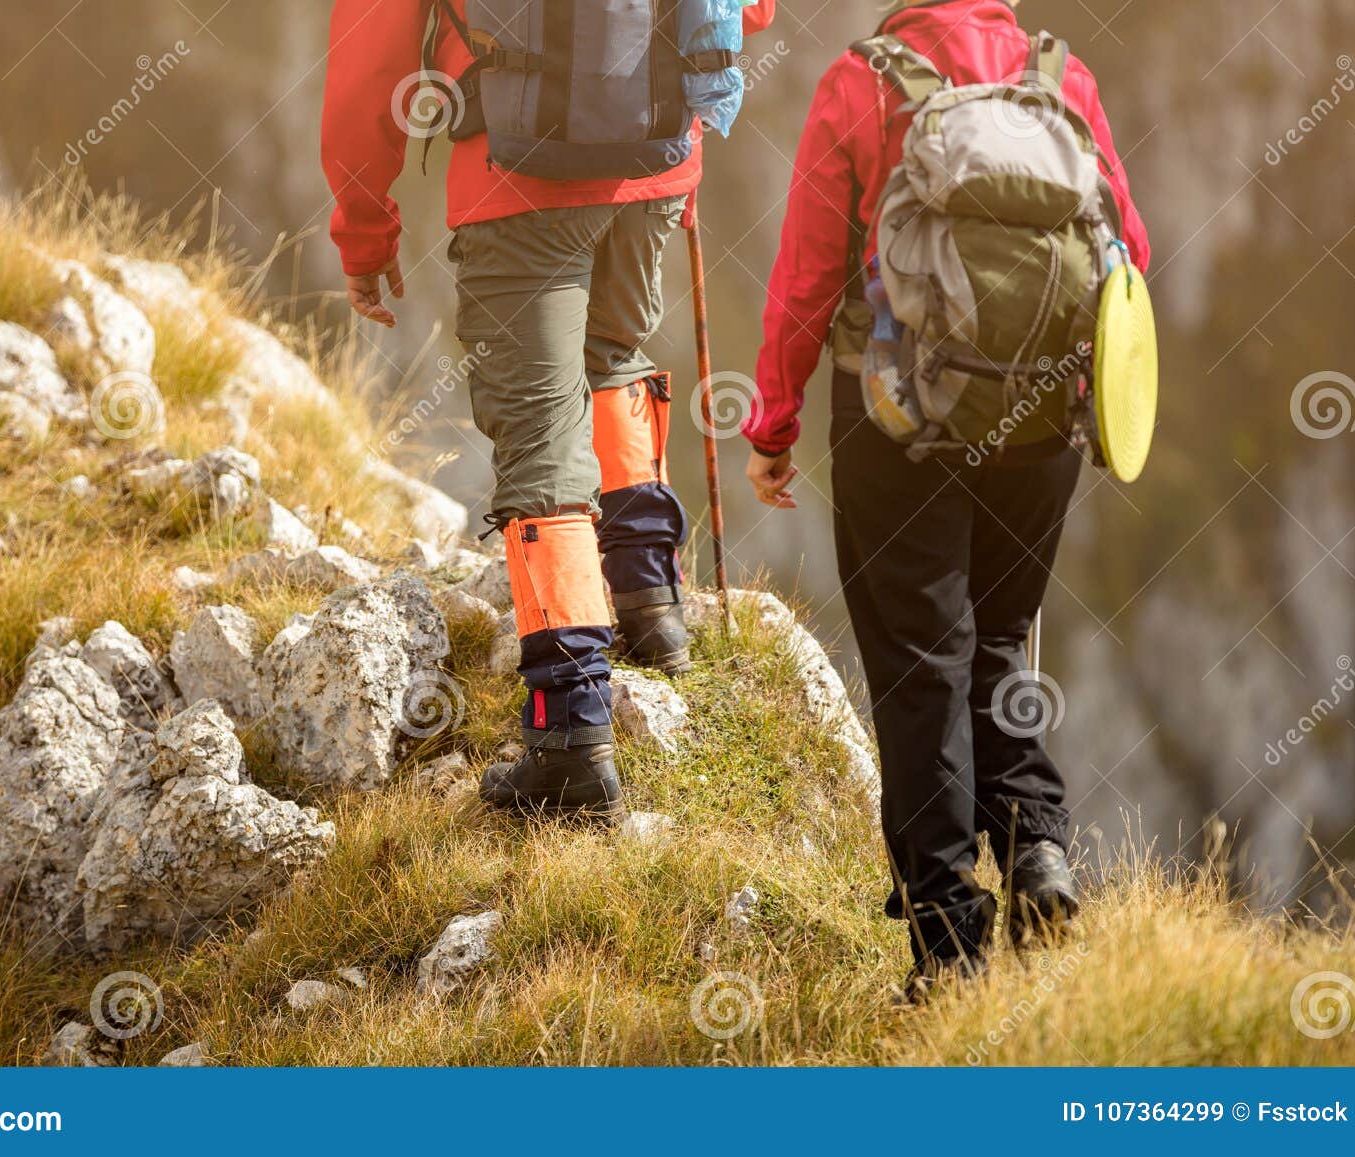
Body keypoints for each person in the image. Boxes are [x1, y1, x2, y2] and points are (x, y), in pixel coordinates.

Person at [740, 0, 1151, 996]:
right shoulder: (1059, 79)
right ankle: (1038, 849)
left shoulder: (861, 82)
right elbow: (1126, 256)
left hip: (897, 420)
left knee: (921, 665)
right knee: (1001, 637)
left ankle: (949, 947)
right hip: (1042, 418)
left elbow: (804, 279)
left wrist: (773, 426)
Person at [323, 0, 777, 822]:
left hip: (518, 178)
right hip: (656, 162)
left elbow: (368, 64)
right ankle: (649, 602)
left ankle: (569, 733)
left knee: (538, 434)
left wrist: (364, 227)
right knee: (611, 358)